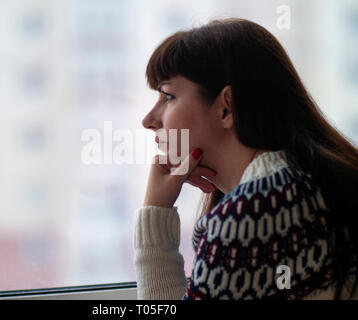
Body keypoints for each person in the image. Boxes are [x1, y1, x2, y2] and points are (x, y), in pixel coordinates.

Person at [133, 18, 358, 300]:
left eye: (167, 96)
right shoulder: (305, 185)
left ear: (227, 107)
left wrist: (155, 212)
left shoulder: (252, 212)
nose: (148, 120)